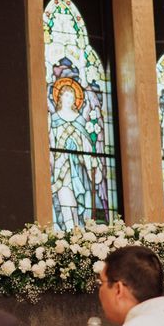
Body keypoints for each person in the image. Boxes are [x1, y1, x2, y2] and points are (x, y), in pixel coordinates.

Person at [49, 78, 99, 230]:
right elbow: (51, 142)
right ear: (59, 97)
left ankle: (78, 230)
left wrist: (91, 161)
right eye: (66, 95)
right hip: (61, 166)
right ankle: (69, 231)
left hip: (79, 167)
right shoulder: (54, 119)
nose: (69, 99)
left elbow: (85, 144)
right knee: (64, 196)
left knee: (78, 201)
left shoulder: (80, 121)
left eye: (72, 97)